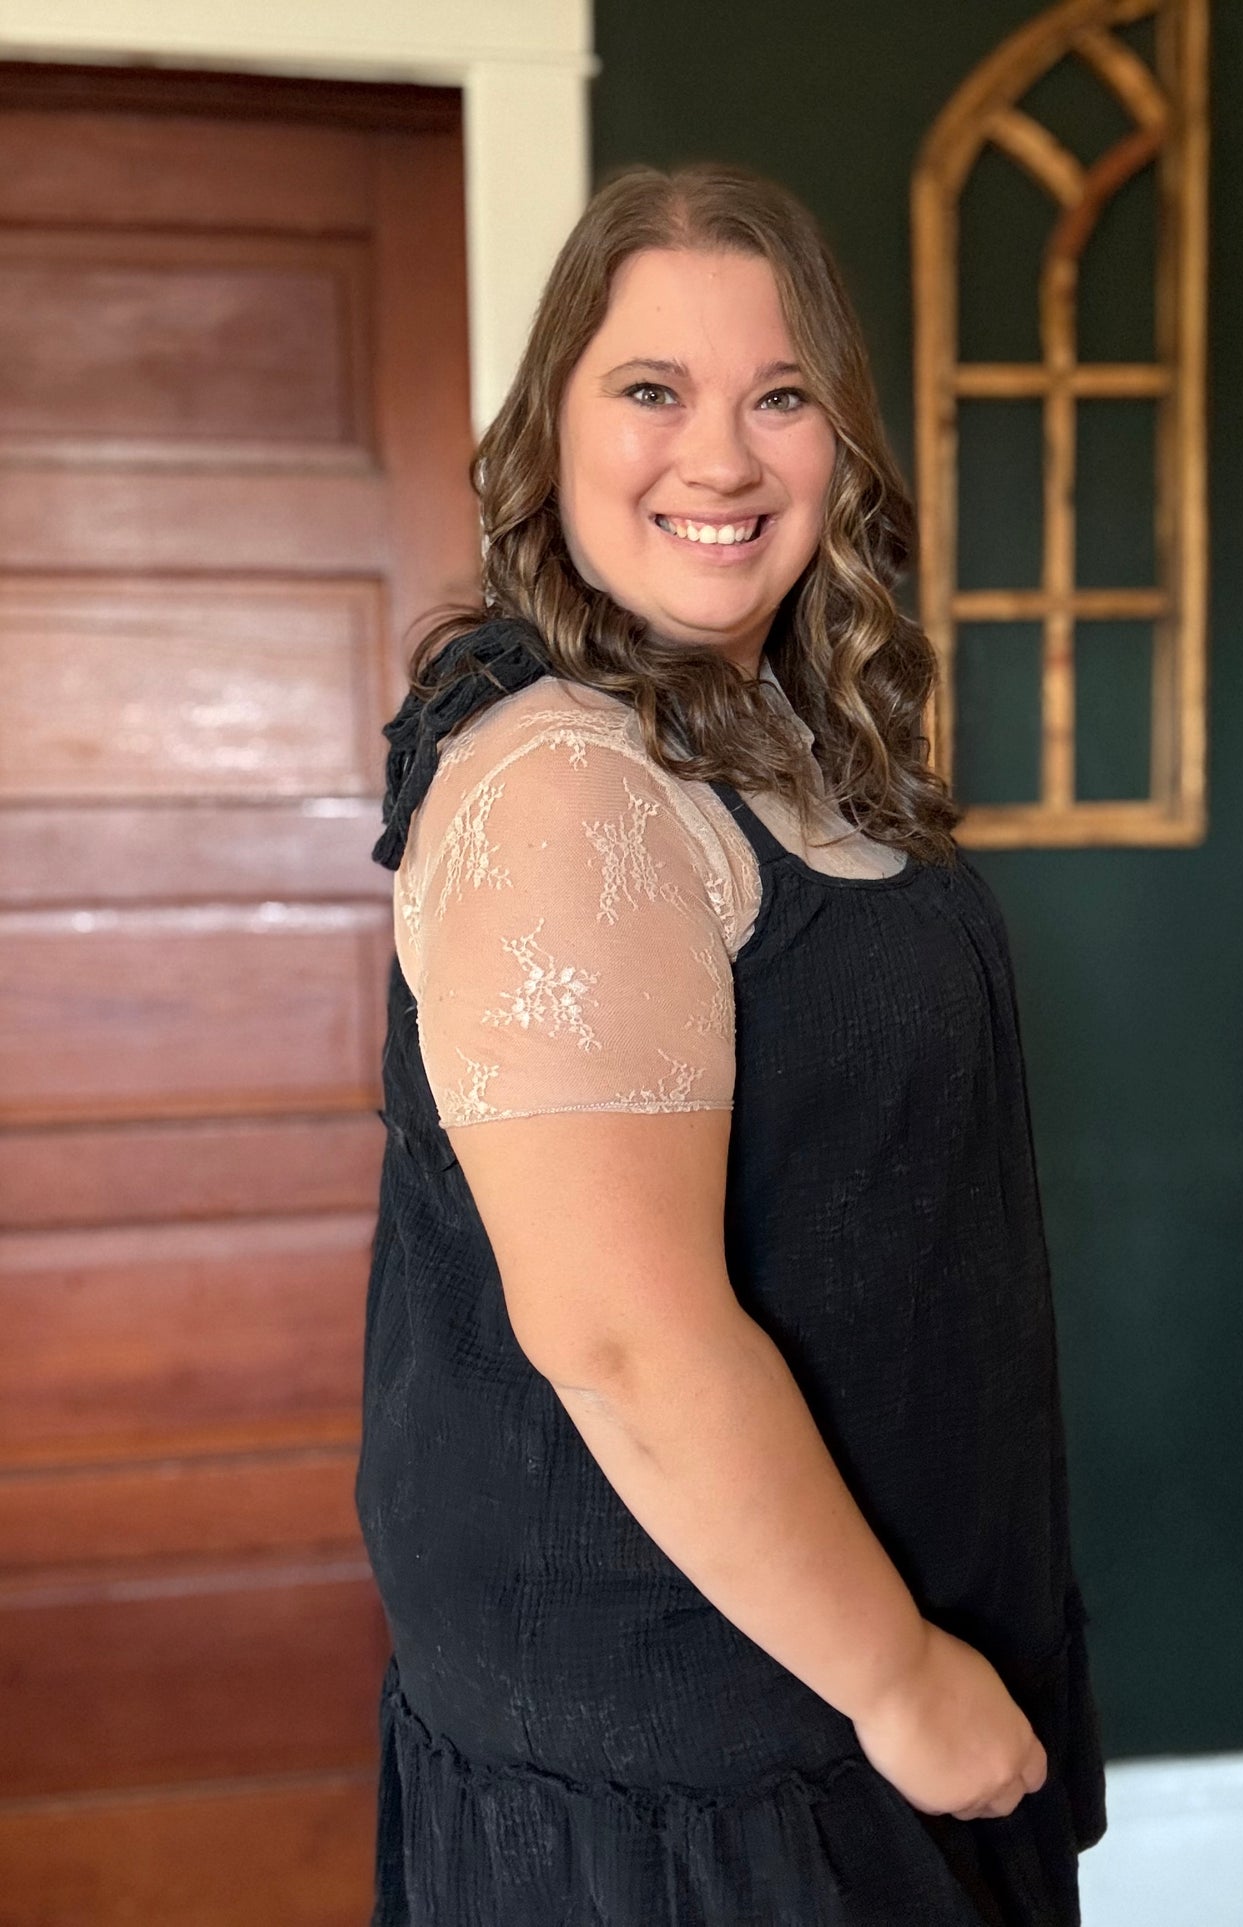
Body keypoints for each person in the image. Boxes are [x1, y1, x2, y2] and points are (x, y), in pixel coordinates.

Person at [355, 160, 1106, 1927]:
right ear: (548, 429)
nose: (722, 458)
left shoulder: (760, 736)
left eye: (780, 397)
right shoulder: (562, 780)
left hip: (842, 1653)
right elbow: (619, 1331)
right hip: (706, 1730)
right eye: (650, 391)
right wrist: (898, 1680)